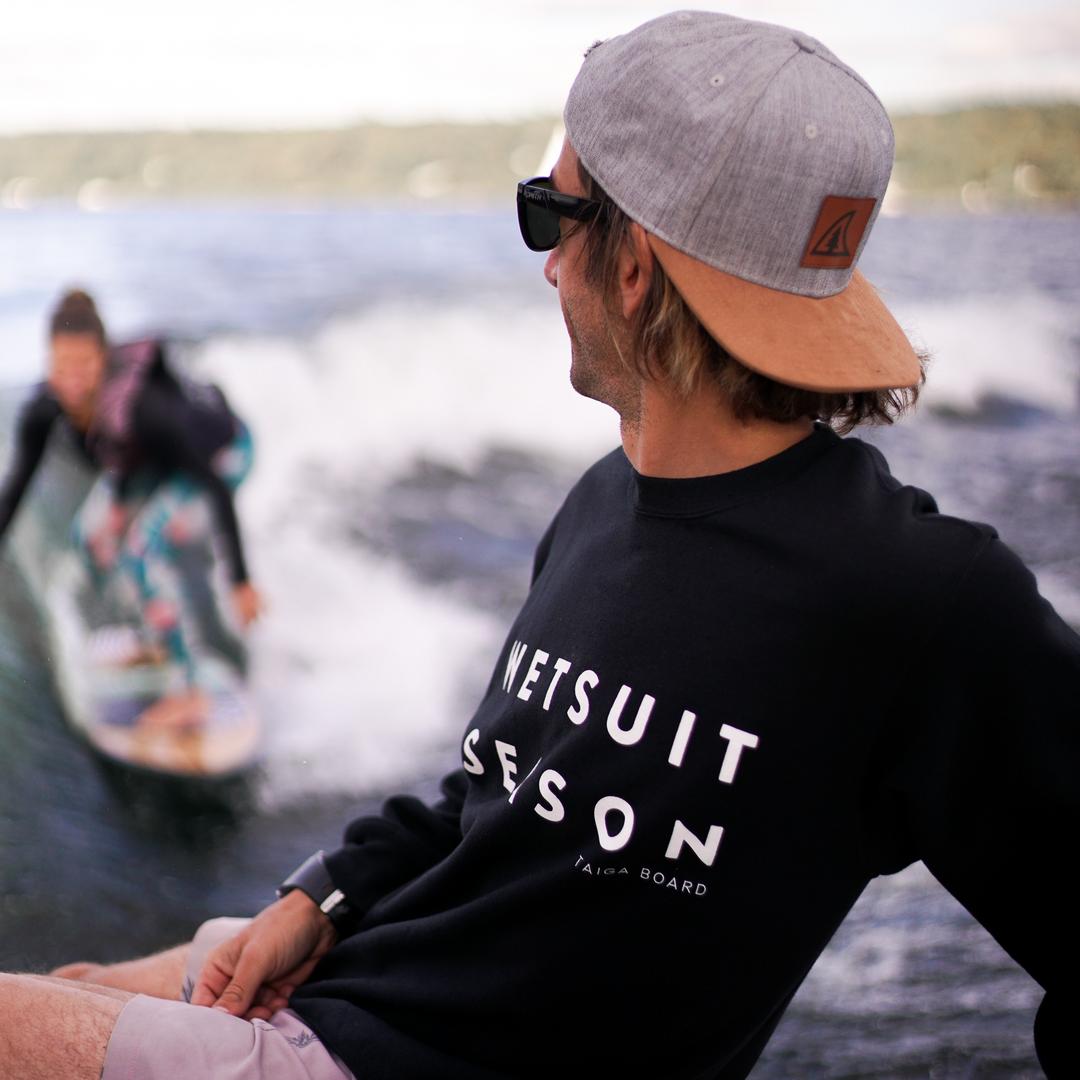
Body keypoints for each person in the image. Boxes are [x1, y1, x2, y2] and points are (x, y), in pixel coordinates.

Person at [0, 13, 1073, 1080]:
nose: (549, 263)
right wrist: (322, 892)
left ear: (638, 269)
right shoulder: (604, 502)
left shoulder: (923, 600)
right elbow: (489, 795)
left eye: (549, 212)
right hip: (360, 969)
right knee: (79, 980)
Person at [0, 289, 262, 726]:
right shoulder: (46, 407)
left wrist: (241, 579)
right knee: (92, 539)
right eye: (62, 366)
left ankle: (191, 689)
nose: (73, 381)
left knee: (143, 551)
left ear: (104, 361)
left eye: (84, 366)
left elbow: (214, 485)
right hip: (152, 462)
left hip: (223, 455)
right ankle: (155, 638)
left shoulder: (144, 410)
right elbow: (16, 490)